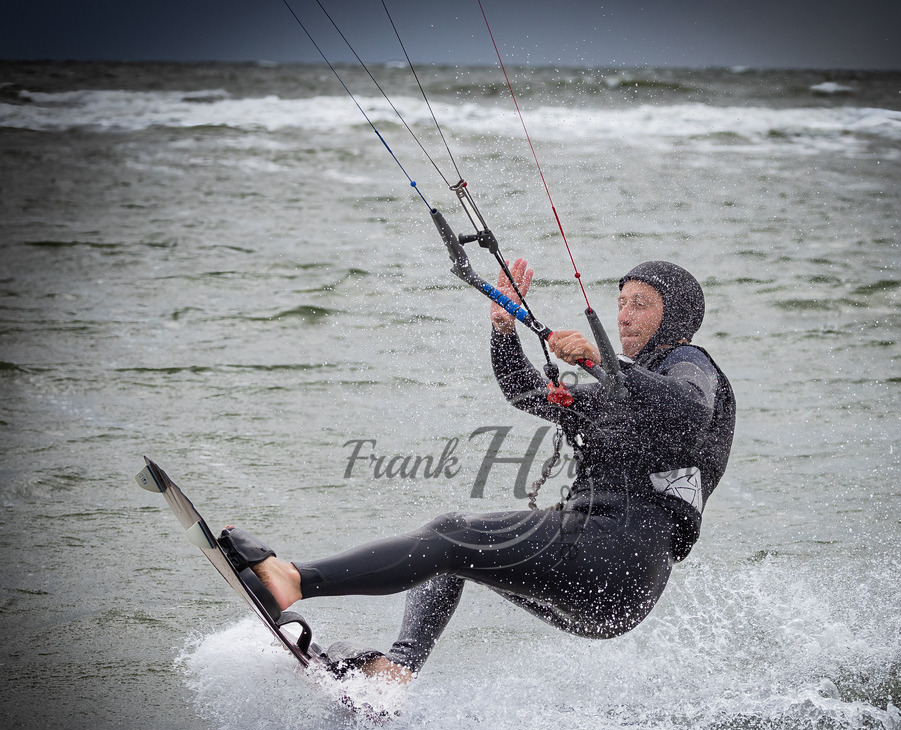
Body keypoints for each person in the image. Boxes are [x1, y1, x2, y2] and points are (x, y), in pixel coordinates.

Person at [221, 258, 735, 685]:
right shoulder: (619, 393)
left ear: (675, 317)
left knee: (450, 535)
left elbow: (688, 410)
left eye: (640, 304)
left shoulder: (690, 364)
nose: (623, 315)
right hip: (614, 593)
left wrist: (600, 359)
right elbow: (526, 391)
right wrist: (503, 328)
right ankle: (397, 671)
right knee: (448, 554)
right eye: (620, 302)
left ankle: (296, 580)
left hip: (619, 550)